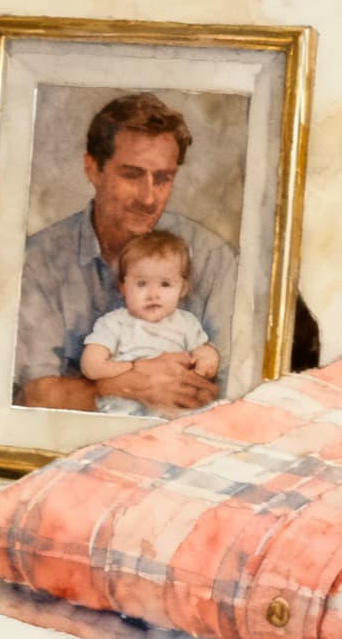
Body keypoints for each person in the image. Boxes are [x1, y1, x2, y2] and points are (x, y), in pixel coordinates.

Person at [16, 92, 236, 412]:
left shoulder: (210, 256)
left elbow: (239, 391)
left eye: (162, 179)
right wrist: (129, 384)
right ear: (93, 170)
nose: (148, 199)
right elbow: (32, 397)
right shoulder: (37, 261)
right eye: (132, 176)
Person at [79, 231, 219, 417]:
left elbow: (203, 351)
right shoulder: (114, 323)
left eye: (165, 284)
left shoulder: (187, 323)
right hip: (125, 404)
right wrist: (130, 367)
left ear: (183, 288)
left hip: (173, 405)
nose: (153, 294)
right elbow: (91, 365)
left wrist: (207, 360)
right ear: (122, 287)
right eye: (142, 284)